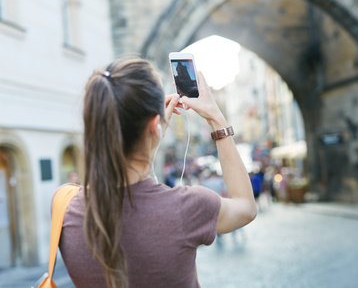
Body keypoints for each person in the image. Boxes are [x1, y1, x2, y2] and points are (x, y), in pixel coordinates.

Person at [55, 58, 256, 288]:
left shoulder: (64, 205)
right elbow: (246, 207)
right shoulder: (187, 208)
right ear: (154, 126)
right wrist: (216, 119)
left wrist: (151, 134)